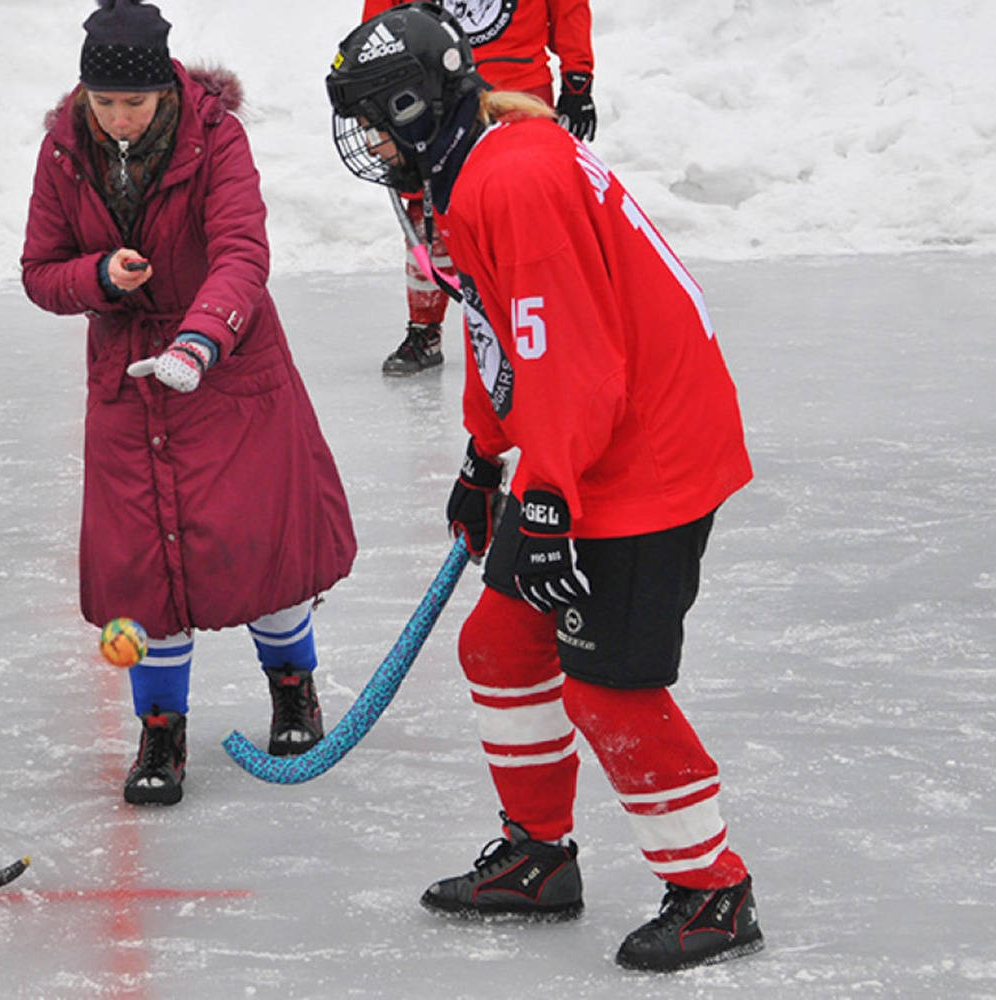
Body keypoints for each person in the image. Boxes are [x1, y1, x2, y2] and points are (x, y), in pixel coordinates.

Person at [326, 4, 762, 973]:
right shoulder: (471, 165)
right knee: (498, 641)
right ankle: (537, 858)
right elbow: (499, 333)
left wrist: (547, 493)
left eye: (369, 117)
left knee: (607, 684)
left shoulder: (513, 175)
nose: (360, 140)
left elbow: (572, 355)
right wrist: (486, 459)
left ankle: (711, 890)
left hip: (646, 455)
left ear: (412, 103)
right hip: (589, 443)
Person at [22, 0, 358, 807]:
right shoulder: (64, 150)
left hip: (228, 363)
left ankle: (292, 690)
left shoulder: (218, 139)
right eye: (102, 103)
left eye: (132, 103)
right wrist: (99, 278)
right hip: (127, 374)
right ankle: (161, 733)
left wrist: (201, 340)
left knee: (256, 546)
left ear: (166, 92)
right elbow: (40, 270)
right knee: (144, 567)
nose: (117, 118)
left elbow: (243, 250)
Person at [358, 0, 596, 376]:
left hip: (520, 88)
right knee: (430, 211)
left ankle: (540, 324)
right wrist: (372, 79)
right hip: (434, 91)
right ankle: (425, 329)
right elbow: (382, 17)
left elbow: (569, 8)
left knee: (527, 213)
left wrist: (577, 81)